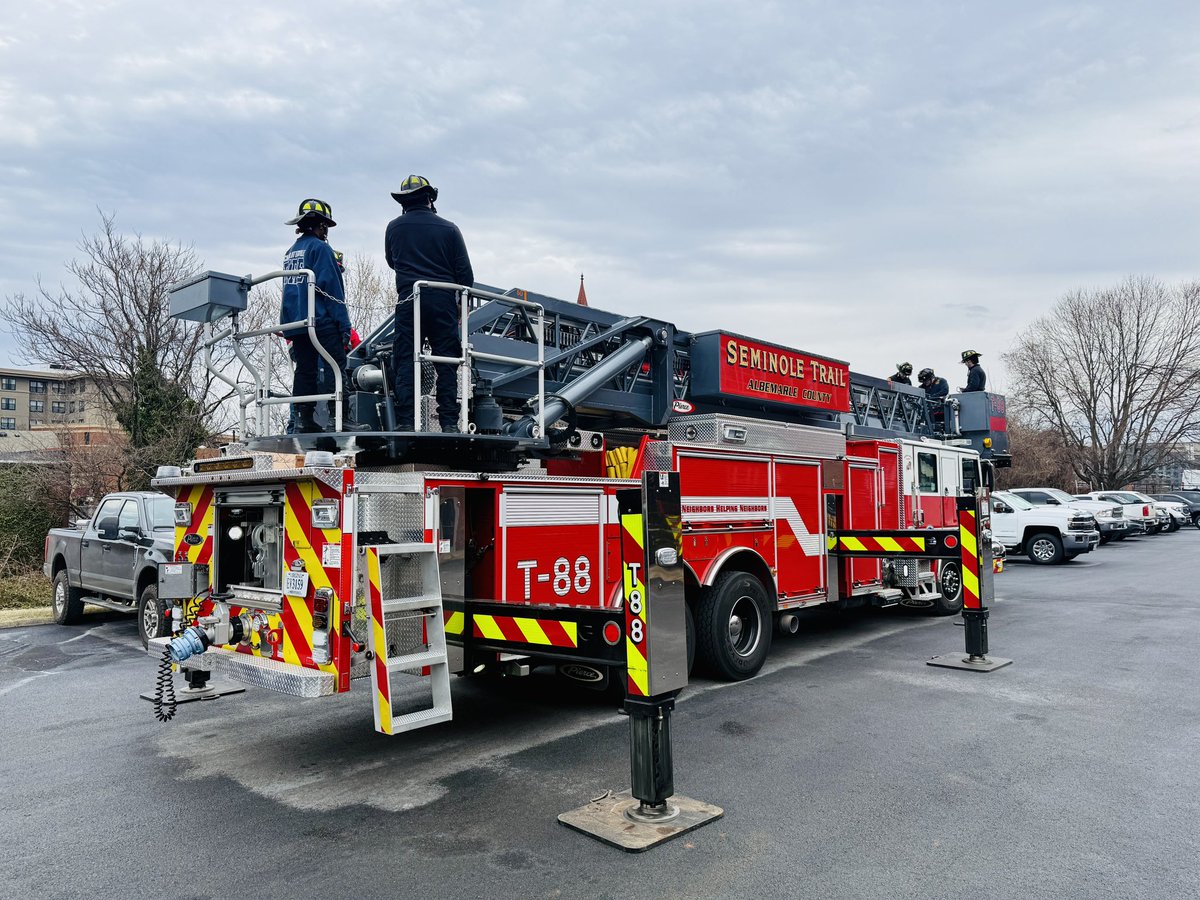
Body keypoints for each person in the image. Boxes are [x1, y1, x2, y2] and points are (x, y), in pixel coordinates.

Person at [385, 175, 474, 433]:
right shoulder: (450, 229)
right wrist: (460, 305)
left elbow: (392, 261)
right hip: (442, 301)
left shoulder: (393, 227)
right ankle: (448, 423)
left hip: (409, 300)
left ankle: (405, 421)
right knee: (446, 361)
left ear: (403, 202)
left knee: (405, 359)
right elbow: (465, 275)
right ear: (430, 199)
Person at [280, 199, 358, 433]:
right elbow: (332, 289)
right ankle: (341, 418)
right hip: (320, 321)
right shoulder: (321, 249)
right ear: (321, 226)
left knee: (305, 370)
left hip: (296, 323)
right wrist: (344, 326)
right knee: (336, 365)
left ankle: (304, 419)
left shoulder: (291, 252)